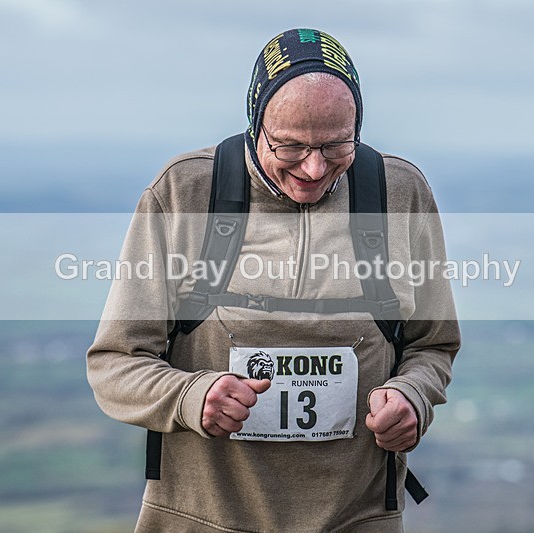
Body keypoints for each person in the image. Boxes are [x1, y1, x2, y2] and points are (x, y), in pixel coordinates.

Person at [87, 28, 460, 532]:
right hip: (200, 518)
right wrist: (192, 397)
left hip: (358, 518)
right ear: (254, 124)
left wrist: (413, 396)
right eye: (289, 148)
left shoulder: (398, 193)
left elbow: (433, 346)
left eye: (336, 146)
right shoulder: (186, 192)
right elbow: (115, 365)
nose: (313, 168)